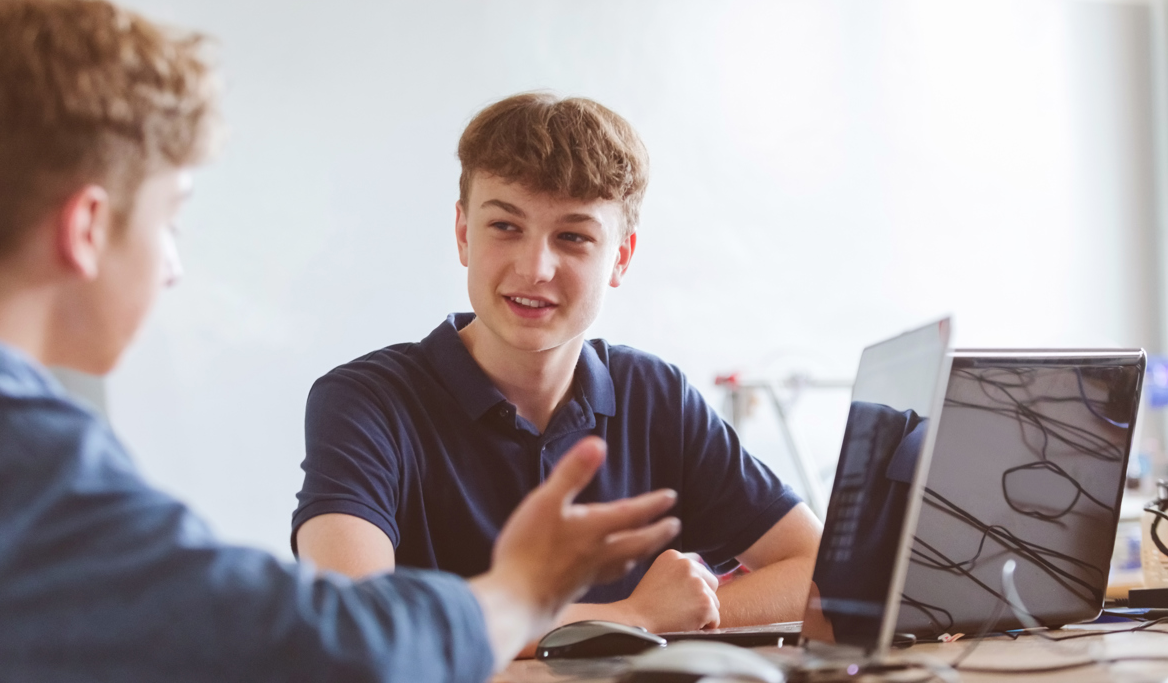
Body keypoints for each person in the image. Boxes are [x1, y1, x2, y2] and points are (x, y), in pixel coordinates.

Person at [0, 0, 684, 682]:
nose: (174, 265)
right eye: (171, 219)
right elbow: (314, 649)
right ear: (87, 227)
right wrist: (523, 589)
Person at [294, 93, 823, 640]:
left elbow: (818, 569)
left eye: (573, 237)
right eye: (505, 226)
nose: (534, 267)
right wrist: (630, 620)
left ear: (620, 257)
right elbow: (354, 628)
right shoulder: (366, 401)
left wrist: (686, 614)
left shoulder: (654, 395)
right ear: (463, 234)